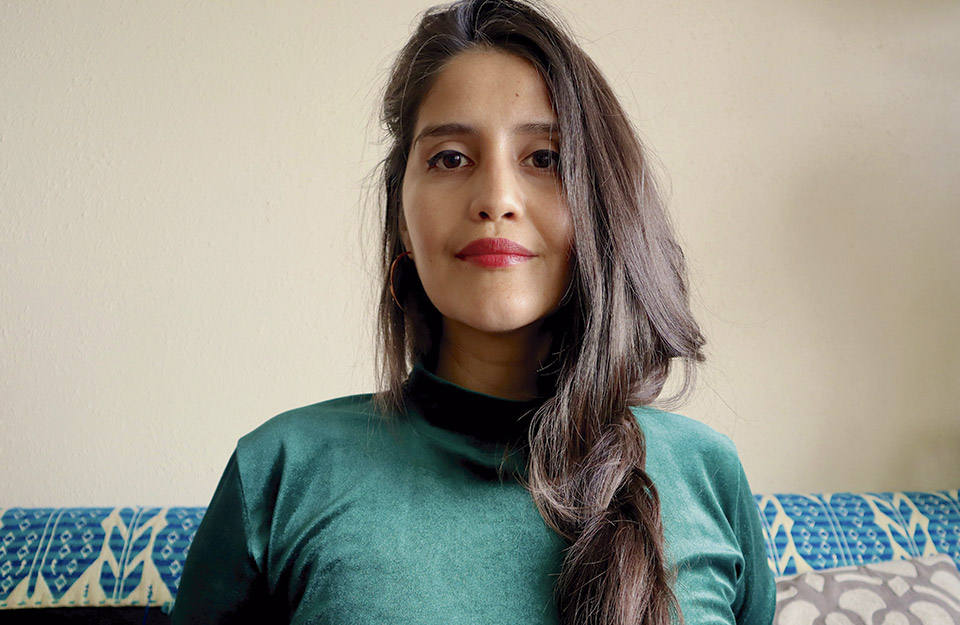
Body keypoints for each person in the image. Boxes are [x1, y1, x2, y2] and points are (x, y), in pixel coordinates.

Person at [170, 0, 776, 623]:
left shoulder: (706, 473)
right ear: (401, 219)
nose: (496, 199)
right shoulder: (279, 472)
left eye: (545, 158)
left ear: (601, 204)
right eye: (451, 158)